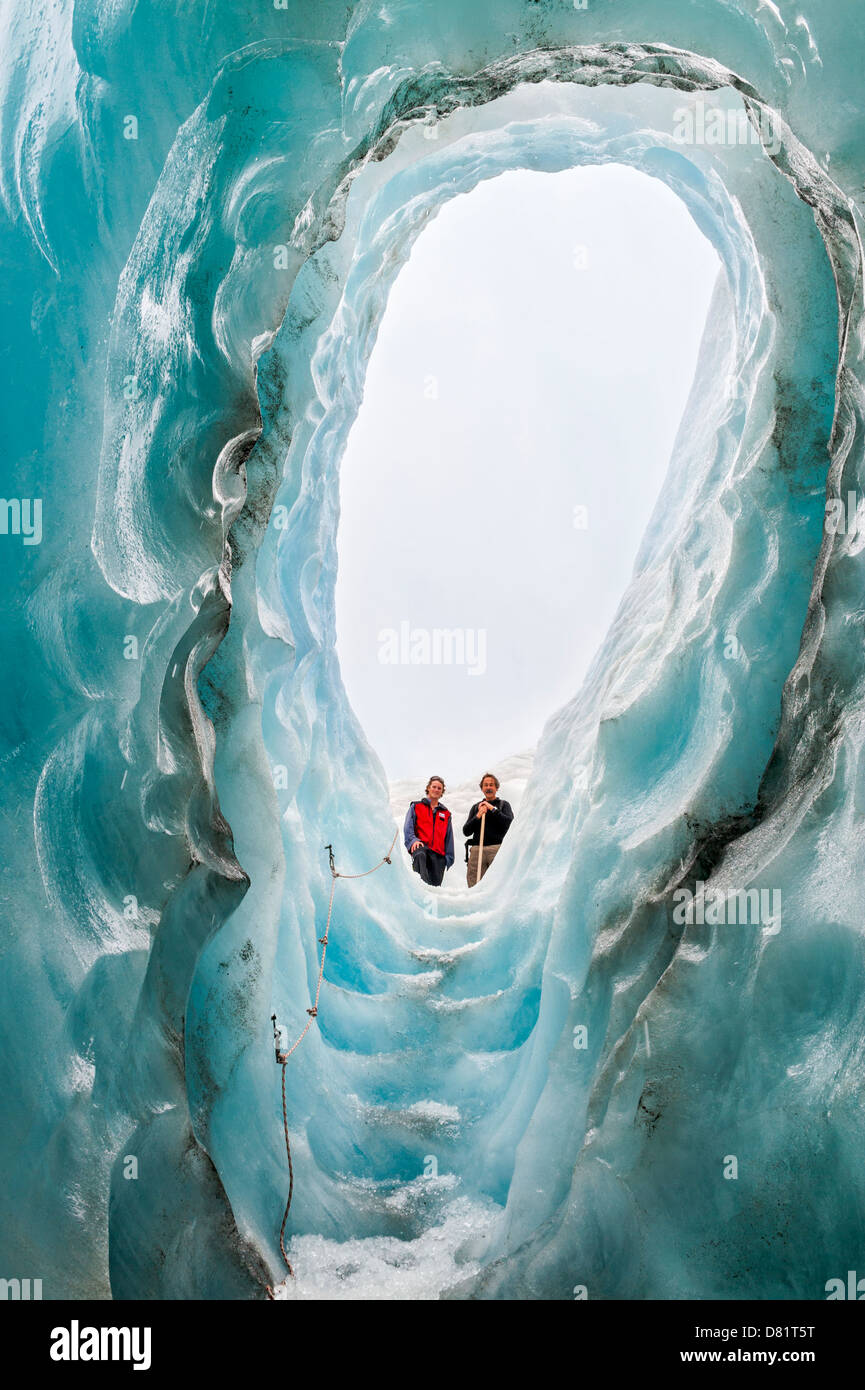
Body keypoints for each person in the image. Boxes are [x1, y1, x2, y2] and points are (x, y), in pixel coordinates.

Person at [463, 772, 513, 886]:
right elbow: (466, 831)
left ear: (496, 788)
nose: (488, 787)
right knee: (474, 883)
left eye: (491, 785)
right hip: (477, 850)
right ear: (482, 788)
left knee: (498, 883)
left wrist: (493, 809)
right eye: (486, 785)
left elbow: (509, 823)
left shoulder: (503, 805)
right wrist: (478, 815)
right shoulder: (476, 807)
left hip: (496, 849)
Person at [404, 776, 454, 886]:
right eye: (434, 787)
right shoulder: (416, 806)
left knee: (435, 888)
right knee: (420, 856)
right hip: (421, 847)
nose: (436, 790)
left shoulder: (446, 814)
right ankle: (419, 889)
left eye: (439, 788)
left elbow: (449, 836)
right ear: (428, 788)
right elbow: (408, 827)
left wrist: (448, 858)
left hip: (438, 854)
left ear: (442, 792)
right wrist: (413, 841)